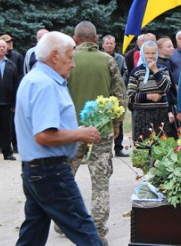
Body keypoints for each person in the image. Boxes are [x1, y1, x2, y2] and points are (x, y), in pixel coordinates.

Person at [14, 31, 102, 246]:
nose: (73, 64)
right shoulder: (45, 84)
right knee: (84, 230)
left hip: (36, 170)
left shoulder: (35, 79)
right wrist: (81, 134)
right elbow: (44, 135)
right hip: (50, 171)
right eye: (70, 57)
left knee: (32, 233)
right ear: (55, 56)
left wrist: (75, 131)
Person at [66, 21, 128, 244]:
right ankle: (98, 230)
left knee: (66, 177)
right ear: (96, 38)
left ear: (76, 39)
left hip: (71, 130)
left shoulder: (68, 59)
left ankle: (63, 222)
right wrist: (117, 123)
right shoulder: (108, 60)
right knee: (100, 181)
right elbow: (121, 95)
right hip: (100, 130)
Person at [127, 40, 172, 141]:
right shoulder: (136, 71)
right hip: (142, 116)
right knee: (143, 147)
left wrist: (155, 71)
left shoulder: (163, 69)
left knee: (161, 147)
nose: (150, 56)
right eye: (147, 53)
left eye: (153, 53)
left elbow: (166, 88)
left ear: (156, 54)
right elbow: (130, 96)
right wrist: (149, 96)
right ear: (142, 54)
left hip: (161, 115)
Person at [102, 34, 128, 156]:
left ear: (114, 45)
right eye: (107, 43)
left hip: (117, 93)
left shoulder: (120, 59)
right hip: (103, 93)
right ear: (102, 45)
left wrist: (119, 87)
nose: (109, 45)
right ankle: (106, 149)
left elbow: (124, 73)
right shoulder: (100, 58)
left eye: (111, 43)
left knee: (119, 120)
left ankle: (118, 148)